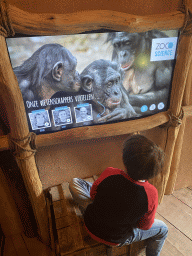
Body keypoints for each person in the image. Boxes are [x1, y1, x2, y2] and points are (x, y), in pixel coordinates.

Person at [69, 134, 168, 256]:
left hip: (89, 223)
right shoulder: (151, 194)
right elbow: (145, 226)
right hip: (116, 239)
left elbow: (93, 194)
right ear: (155, 171)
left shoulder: (110, 172)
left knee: (75, 182)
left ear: (124, 158)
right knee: (163, 229)